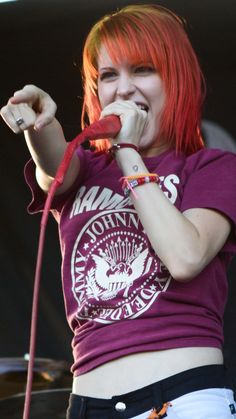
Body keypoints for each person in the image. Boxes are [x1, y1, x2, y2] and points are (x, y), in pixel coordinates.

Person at [1, 4, 236, 419]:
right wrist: (40, 120)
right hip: (89, 402)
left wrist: (127, 150)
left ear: (175, 80)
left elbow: (186, 257)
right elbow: (54, 164)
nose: (123, 90)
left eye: (142, 69)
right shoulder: (86, 169)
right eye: (108, 76)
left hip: (182, 397)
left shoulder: (212, 167)